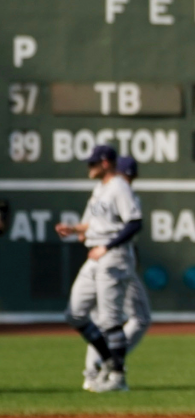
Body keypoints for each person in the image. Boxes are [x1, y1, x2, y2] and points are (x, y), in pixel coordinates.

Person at [55, 145, 143, 393]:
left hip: (112, 256)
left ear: (106, 163)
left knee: (110, 319)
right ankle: (107, 360)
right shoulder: (100, 189)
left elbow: (135, 223)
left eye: (93, 163)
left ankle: (118, 377)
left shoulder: (119, 187)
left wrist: (107, 246)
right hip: (94, 256)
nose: (89, 167)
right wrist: (74, 230)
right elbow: (92, 224)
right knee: (75, 314)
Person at [81, 156, 151, 389]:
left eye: (129, 176)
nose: (127, 180)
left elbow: (85, 229)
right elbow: (133, 225)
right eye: (125, 175)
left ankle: (94, 370)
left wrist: (79, 231)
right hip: (115, 260)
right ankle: (105, 363)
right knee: (132, 318)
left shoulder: (102, 194)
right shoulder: (116, 194)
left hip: (102, 259)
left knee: (103, 319)